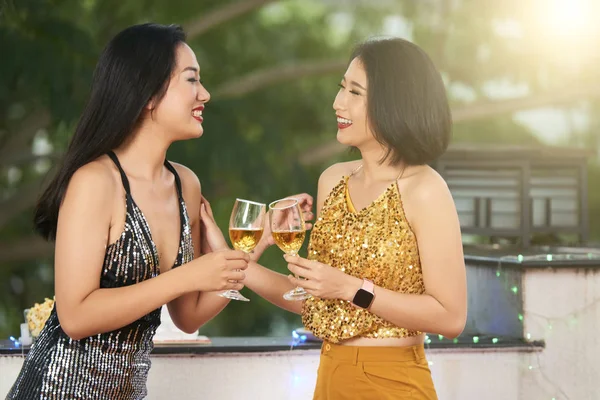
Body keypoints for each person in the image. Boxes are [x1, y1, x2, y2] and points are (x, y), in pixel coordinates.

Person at [203, 37, 467, 399]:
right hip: (330, 377)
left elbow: (451, 318)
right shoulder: (333, 180)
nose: (337, 103)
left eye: (354, 92)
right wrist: (241, 264)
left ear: (394, 102)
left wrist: (351, 288)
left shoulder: (425, 190)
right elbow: (315, 302)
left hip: (395, 384)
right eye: (342, 87)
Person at [7, 23, 251, 399]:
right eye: (191, 80)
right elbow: (74, 317)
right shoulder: (96, 182)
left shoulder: (186, 184)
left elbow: (187, 317)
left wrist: (246, 252)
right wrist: (190, 275)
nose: (204, 93)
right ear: (149, 94)